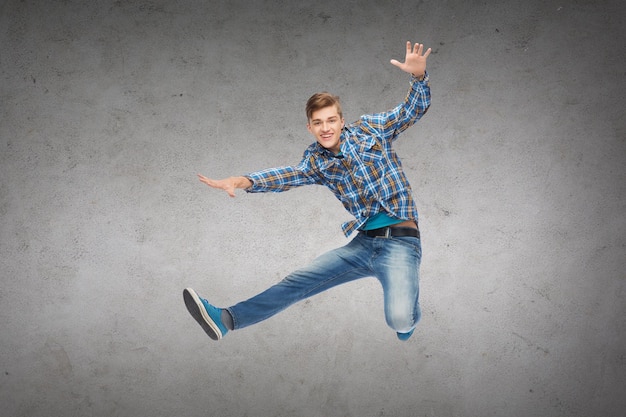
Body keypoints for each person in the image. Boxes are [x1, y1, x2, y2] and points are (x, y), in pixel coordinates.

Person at [184, 41, 431, 342]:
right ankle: (225, 319)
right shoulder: (316, 161)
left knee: (399, 319)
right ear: (310, 128)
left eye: (330, 121)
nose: (325, 128)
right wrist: (242, 180)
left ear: (341, 121)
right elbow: (289, 175)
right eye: (318, 123)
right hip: (364, 244)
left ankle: (408, 319)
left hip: (401, 244)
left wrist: (418, 77)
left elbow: (410, 111)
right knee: (297, 281)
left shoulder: (370, 129)